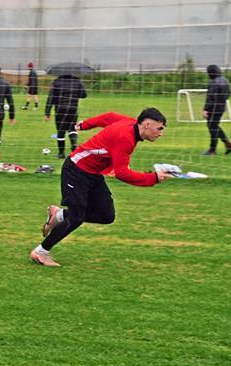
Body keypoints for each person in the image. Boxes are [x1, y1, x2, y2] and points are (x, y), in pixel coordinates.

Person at [32, 109, 171, 267]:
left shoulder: (130, 123)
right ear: (146, 124)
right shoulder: (125, 138)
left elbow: (109, 117)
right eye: (159, 129)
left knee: (106, 215)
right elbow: (122, 173)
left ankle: (59, 215)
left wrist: (85, 125)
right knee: (76, 217)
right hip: (76, 170)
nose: (160, 133)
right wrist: (153, 178)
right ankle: (41, 252)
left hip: (92, 173)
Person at [44, 73, 88, 158]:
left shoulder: (56, 82)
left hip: (60, 110)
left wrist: (47, 112)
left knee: (61, 131)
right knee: (72, 128)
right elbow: (84, 95)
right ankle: (74, 147)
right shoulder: (77, 81)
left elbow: (51, 97)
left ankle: (61, 153)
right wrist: (75, 94)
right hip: (73, 109)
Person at [202, 64, 231, 155]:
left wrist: (206, 109)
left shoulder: (213, 82)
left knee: (212, 128)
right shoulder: (225, 80)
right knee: (214, 126)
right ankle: (227, 143)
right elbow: (228, 94)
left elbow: (211, 98)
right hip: (221, 107)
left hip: (213, 108)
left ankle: (212, 150)